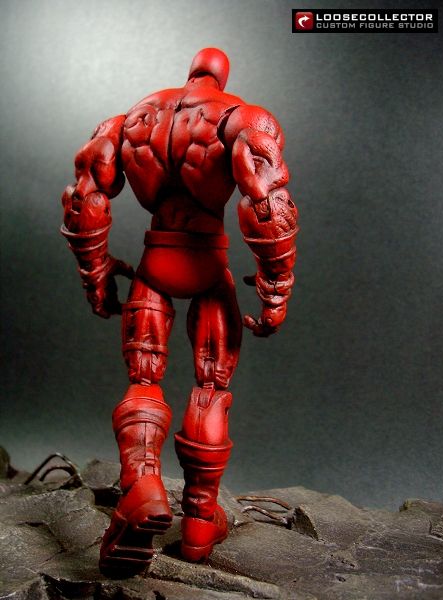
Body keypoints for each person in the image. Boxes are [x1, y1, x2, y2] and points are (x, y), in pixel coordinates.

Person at [61, 48, 298, 575]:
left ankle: (141, 485)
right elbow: (267, 203)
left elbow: (85, 199)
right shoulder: (240, 118)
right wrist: (276, 288)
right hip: (208, 268)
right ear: (222, 77)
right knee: (210, 388)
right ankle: (198, 523)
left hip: (154, 266)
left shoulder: (132, 119)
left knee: (143, 381)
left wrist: (96, 274)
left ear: (190, 73)